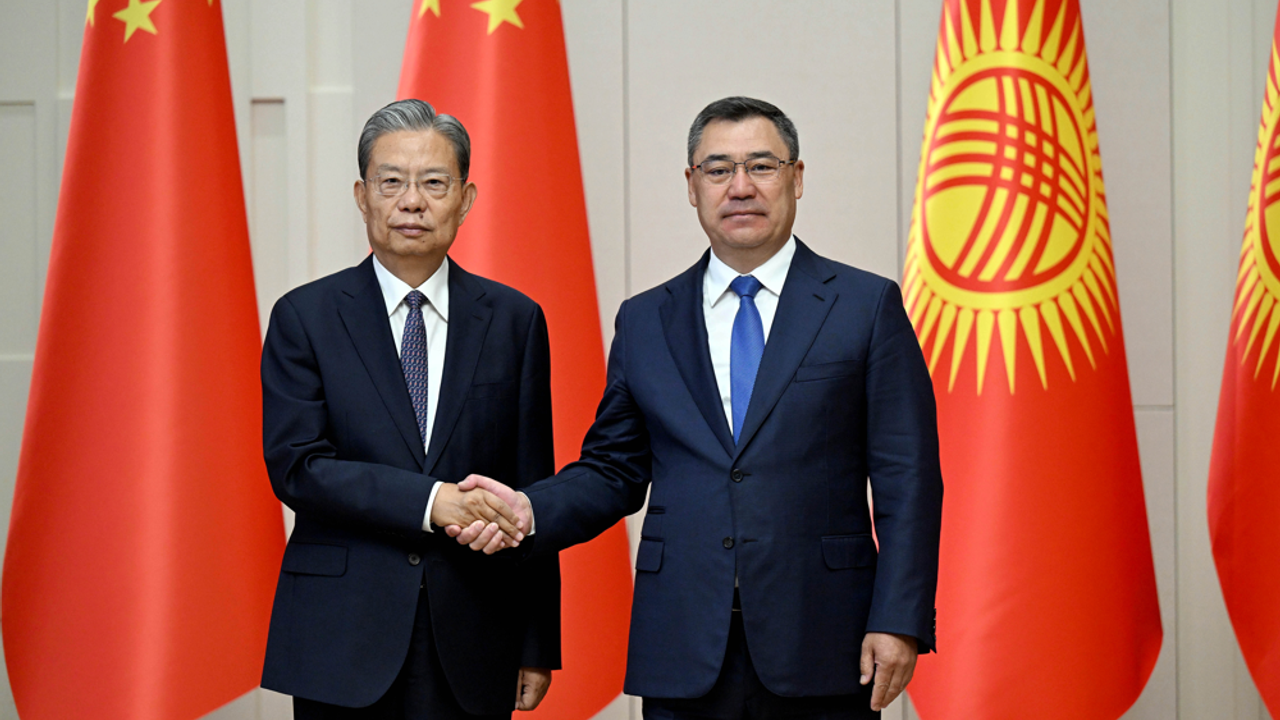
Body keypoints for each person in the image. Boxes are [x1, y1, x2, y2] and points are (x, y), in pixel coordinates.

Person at [452, 96, 943, 719]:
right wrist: (530, 509)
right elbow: (613, 469)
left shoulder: (864, 307)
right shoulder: (645, 320)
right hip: (682, 642)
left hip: (824, 637)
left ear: (796, 178)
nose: (740, 186)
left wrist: (898, 618)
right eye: (718, 169)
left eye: (761, 166)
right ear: (692, 185)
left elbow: (908, 478)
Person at [259, 99, 560, 720]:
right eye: (391, 182)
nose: (412, 202)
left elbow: (530, 489)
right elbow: (298, 468)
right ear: (362, 196)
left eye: (434, 183)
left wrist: (537, 642)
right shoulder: (305, 317)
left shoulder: (514, 321)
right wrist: (432, 502)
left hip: (477, 633)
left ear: (465, 199)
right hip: (342, 636)